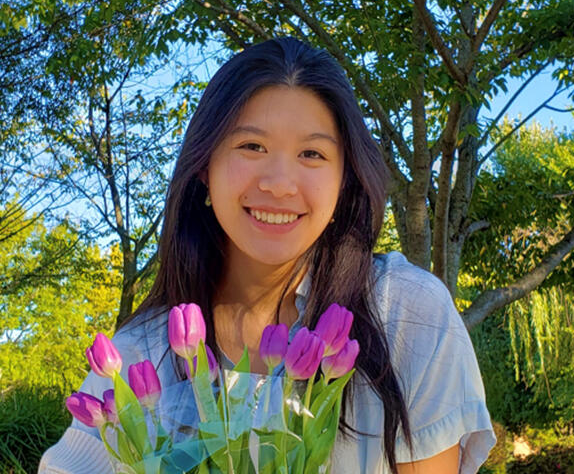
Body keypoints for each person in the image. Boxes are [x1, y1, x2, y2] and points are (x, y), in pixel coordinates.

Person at [39, 38, 495, 474]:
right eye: (251, 146)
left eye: (312, 153)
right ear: (204, 165)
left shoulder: (404, 313)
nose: (279, 183)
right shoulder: (145, 353)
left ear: (345, 179)